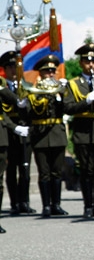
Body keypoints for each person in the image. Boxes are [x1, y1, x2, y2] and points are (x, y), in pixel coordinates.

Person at [63, 43, 94, 219]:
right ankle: (88, 206)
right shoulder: (73, 84)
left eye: (93, 61)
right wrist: (86, 100)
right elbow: (67, 108)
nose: (91, 65)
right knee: (87, 170)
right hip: (83, 131)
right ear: (81, 63)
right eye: (87, 61)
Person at [26, 55, 70, 217]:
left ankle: (56, 205)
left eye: (53, 71)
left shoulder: (61, 89)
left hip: (57, 133)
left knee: (56, 172)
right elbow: (30, 113)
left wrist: (61, 94)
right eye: (47, 71)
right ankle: (46, 206)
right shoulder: (34, 91)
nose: (51, 74)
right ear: (41, 73)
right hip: (40, 135)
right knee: (44, 171)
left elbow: (68, 108)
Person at [1, 51, 35, 216]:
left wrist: (26, 106)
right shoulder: (2, 87)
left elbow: (32, 109)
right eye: (11, 67)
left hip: (24, 130)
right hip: (8, 131)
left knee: (25, 168)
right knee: (11, 169)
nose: (14, 70)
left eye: (17, 66)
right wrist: (13, 126)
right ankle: (14, 202)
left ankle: (24, 201)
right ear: (5, 69)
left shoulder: (25, 86)